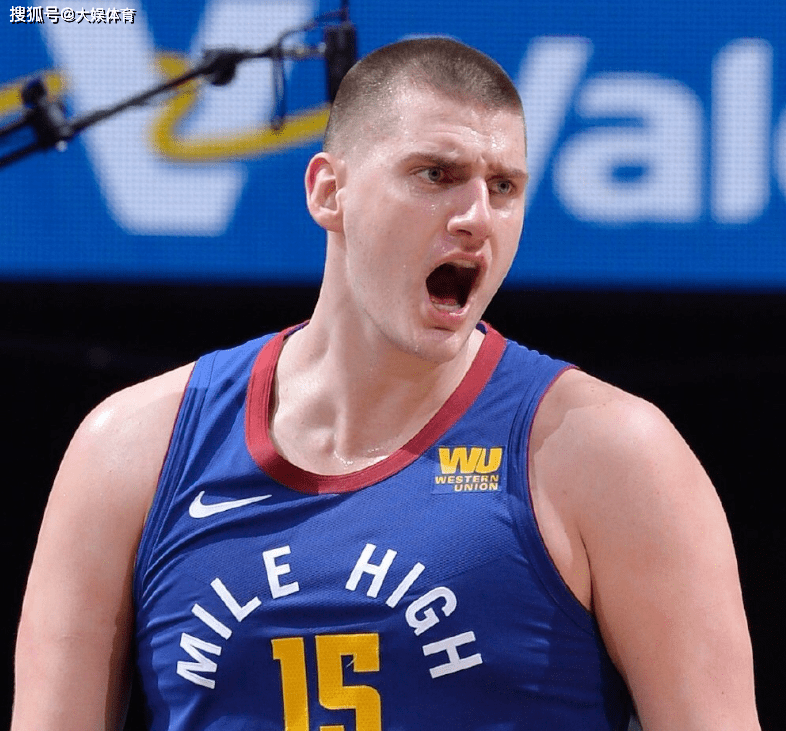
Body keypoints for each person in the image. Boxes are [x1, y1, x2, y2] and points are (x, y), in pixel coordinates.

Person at [12, 37, 760, 731]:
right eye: (436, 175)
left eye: (504, 186)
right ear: (327, 192)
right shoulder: (131, 447)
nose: (477, 217)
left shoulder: (611, 453)